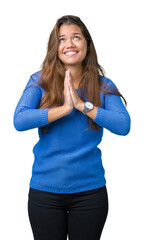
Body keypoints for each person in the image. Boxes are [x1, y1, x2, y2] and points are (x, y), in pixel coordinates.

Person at [13, 15, 131, 240]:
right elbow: (19, 120)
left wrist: (81, 105)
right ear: (54, 48)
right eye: (62, 39)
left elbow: (123, 125)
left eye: (76, 37)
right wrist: (65, 108)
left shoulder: (103, 86)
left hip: (90, 194)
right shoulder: (40, 82)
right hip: (44, 193)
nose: (69, 44)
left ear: (87, 43)